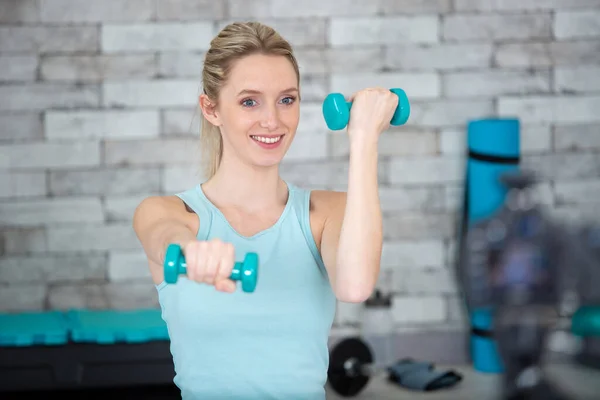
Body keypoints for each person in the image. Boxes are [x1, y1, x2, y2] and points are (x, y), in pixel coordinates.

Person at [133, 21, 399, 400]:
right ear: (211, 108)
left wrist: (364, 137)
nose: (272, 120)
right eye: (249, 101)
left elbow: (355, 287)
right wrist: (191, 251)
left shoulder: (327, 212)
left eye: (286, 99)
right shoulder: (171, 213)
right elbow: (163, 237)